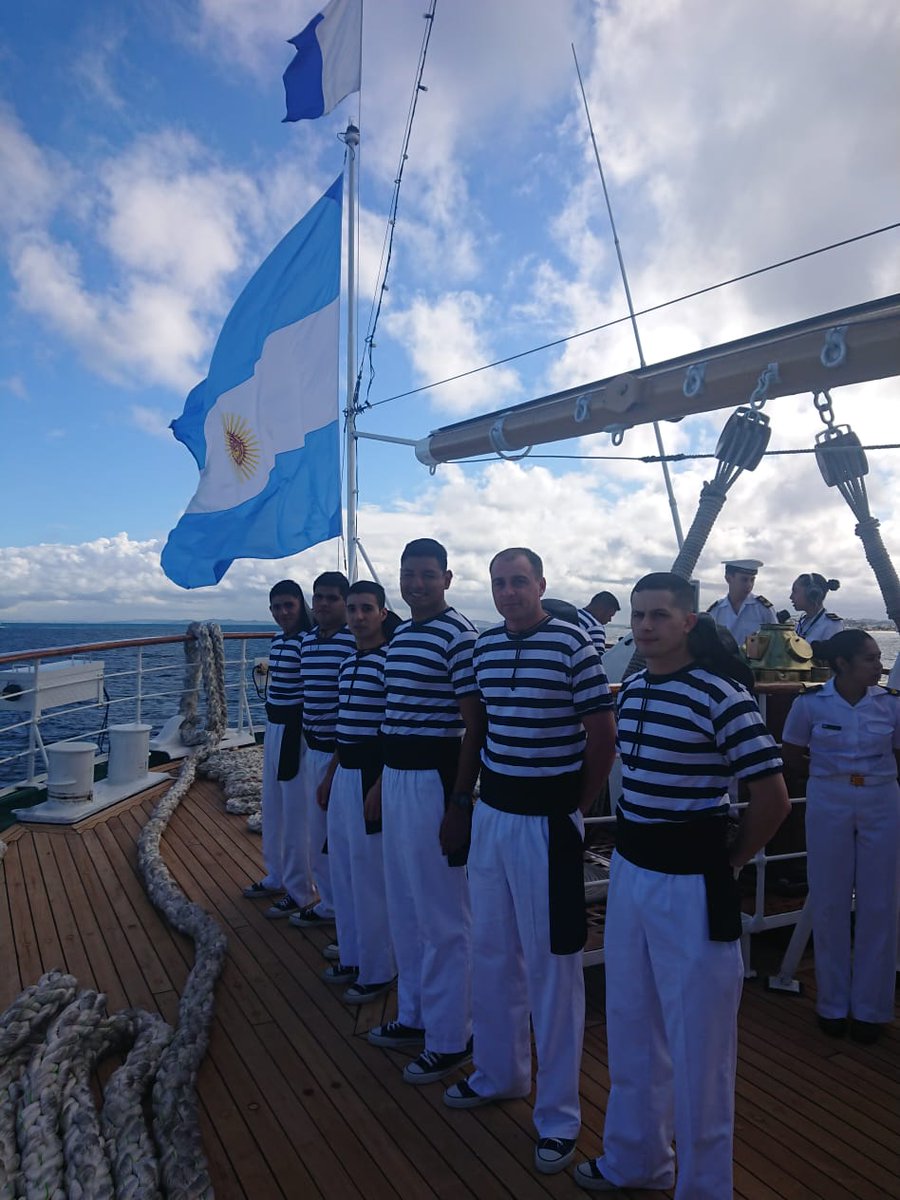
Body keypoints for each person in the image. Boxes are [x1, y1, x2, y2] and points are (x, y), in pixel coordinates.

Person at [575, 572, 790, 1198]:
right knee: (632, 1023)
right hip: (633, 873)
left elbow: (772, 799)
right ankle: (635, 1159)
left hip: (694, 881)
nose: (644, 626)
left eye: (659, 615)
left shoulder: (722, 696)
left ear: (688, 622)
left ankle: (703, 1188)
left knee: (700, 1048)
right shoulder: (636, 686)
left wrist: (728, 864)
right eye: (638, 615)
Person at [443, 548, 616, 1177]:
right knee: (491, 952)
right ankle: (499, 1073)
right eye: (500, 583)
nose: (509, 592)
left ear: (541, 584)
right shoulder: (484, 650)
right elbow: (478, 730)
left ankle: (559, 1117)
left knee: (553, 971)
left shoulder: (572, 645)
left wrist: (568, 805)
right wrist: (463, 803)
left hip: (546, 823)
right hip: (493, 816)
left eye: (519, 581)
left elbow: (603, 736)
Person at [366, 538, 485, 1085]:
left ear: (447, 578)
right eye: (408, 574)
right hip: (398, 775)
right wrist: (381, 783)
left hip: (435, 779)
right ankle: (415, 1015)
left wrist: (460, 801)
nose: (416, 584)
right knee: (406, 905)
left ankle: (452, 1035)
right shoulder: (404, 634)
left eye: (427, 575)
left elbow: (473, 725)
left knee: (443, 915)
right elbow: (393, 715)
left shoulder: (457, 637)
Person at [781, 630, 899, 1044]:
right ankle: (832, 1004)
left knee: (879, 904)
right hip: (828, 798)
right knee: (830, 901)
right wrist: (827, 776)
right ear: (844, 664)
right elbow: (791, 754)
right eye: (869, 659)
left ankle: (870, 1009)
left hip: (881, 799)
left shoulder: (891, 704)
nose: (879, 665)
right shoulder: (809, 704)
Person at [315, 581, 396, 1003]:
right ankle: (353, 952)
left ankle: (379, 966)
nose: (358, 616)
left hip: (371, 774)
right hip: (345, 771)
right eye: (353, 609)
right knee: (344, 868)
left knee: (370, 876)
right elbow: (343, 732)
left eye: (367, 608)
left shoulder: (389, 664)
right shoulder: (348, 664)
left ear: (383, 613)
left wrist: (380, 786)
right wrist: (330, 775)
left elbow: (391, 732)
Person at [276, 571, 355, 925]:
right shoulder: (307, 643)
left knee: (338, 839)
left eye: (331, 598)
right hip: (312, 749)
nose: (323, 604)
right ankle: (328, 904)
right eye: (318, 597)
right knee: (318, 833)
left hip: (341, 755)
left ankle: (345, 911)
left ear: (345, 602)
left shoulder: (353, 643)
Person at [242, 580, 313, 908]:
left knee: (295, 812)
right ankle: (276, 874)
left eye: (289, 605)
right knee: (272, 805)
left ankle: (299, 890)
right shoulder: (278, 640)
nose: (283, 612)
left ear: (301, 605)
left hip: (295, 733)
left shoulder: (307, 642)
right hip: (274, 727)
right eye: (277, 607)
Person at [706, 559, 776, 646]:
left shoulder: (763, 609)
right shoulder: (716, 611)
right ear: (728, 579)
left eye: (752, 580)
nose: (749, 585)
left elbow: (776, 642)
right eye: (744, 580)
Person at [790, 572, 844, 641]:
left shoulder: (832, 625)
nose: (791, 597)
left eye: (795, 591)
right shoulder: (801, 623)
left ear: (812, 594)